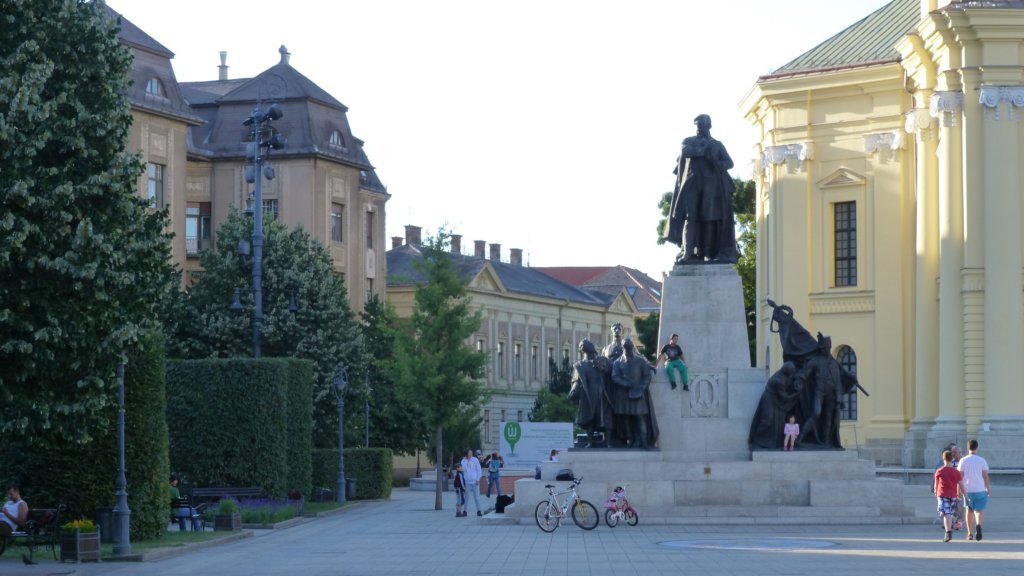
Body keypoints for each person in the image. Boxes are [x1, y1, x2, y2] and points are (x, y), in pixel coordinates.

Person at [664, 114, 738, 265]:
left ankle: (708, 253)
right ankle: (687, 252)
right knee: (689, 218)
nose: (699, 128)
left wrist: (717, 163)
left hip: (711, 186)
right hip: (691, 185)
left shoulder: (717, 144)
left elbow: (729, 163)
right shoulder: (688, 141)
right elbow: (686, 152)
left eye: (701, 125)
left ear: (708, 126)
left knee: (709, 218)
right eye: (697, 125)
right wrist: (705, 151)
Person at [610, 338, 659, 449]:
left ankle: (644, 442)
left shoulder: (640, 361)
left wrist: (641, 388)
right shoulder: (617, 362)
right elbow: (615, 376)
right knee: (625, 418)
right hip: (623, 394)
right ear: (623, 348)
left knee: (640, 417)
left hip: (638, 394)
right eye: (626, 348)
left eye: (630, 348)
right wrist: (626, 384)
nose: (628, 351)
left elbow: (647, 376)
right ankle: (630, 440)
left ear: (632, 347)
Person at [568, 339, 613, 448]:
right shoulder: (580, 365)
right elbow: (577, 380)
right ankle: (590, 441)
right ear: (582, 350)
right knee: (589, 417)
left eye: (587, 345)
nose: (584, 346)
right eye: (583, 346)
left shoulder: (602, 360)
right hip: (587, 393)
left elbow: (611, 372)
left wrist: (603, 369)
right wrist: (573, 391)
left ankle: (608, 442)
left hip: (603, 392)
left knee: (605, 416)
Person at [957, 438, 991, 541]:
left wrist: (958, 490)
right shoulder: (982, 460)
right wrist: (988, 488)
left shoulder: (963, 460)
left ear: (968, 448)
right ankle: (978, 525)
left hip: (967, 490)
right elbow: (985, 476)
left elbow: (960, 477)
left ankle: (970, 534)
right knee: (979, 510)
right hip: (980, 489)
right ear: (977, 448)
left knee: (969, 511)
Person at [933, 449, 965, 542]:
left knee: (946, 513)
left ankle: (948, 532)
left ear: (943, 459)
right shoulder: (956, 472)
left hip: (942, 495)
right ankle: (949, 530)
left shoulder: (939, 471)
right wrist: (966, 496)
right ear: (952, 459)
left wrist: (935, 492)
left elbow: (936, 484)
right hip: (953, 495)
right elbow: (961, 485)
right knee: (949, 513)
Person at [460, 449, 483, 516]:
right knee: (466, 497)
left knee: (477, 497)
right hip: (467, 481)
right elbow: (463, 469)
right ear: (467, 454)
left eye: (471, 452)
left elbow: (479, 470)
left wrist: (478, 479)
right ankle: (465, 511)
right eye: (470, 452)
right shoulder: (463, 460)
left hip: (475, 481)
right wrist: (465, 461)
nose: (471, 453)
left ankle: (479, 510)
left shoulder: (475, 460)